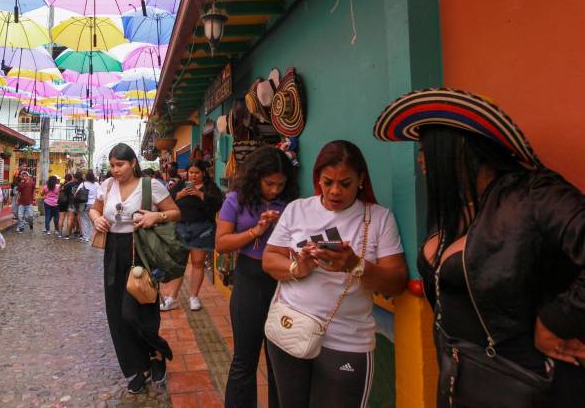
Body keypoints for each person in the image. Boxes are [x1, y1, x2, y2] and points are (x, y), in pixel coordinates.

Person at [373, 88, 585, 408]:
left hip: (523, 384)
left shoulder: (534, 195)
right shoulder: (459, 207)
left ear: (459, 148)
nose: (420, 161)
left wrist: (556, 320)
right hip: (459, 379)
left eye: (425, 150)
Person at [262, 140, 408, 407]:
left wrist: (355, 264)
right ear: (318, 178)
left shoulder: (378, 219)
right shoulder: (298, 210)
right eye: (327, 182)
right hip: (291, 329)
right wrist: (298, 267)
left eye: (346, 183)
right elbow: (270, 259)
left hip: (346, 340)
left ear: (361, 180)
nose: (335, 191)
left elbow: (396, 281)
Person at [88, 143, 181, 394]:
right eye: (112, 165)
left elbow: (174, 212)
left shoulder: (151, 186)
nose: (115, 170)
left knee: (138, 308)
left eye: (120, 165)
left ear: (133, 164)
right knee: (117, 313)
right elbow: (94, 209)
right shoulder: (106, 186)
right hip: (114, 251)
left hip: (141, 249)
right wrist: (96, 219)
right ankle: (138, 368)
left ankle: (157, 351)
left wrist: (155, 216)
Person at [216, 146, 299, 408]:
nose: (274, 190)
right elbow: (222, 243)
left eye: (280, 184)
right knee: (245, 358)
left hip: (283, 282)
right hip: (249, 279)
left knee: (280, 360)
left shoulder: (290, 204)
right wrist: (257, 230)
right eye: (269, 183)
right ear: (255, 178)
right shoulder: (236, 200)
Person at [160, 160, 224, 312]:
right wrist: (179, 195)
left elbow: (217, 206)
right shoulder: (181, 185)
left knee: (198, 262)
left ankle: (193, 297)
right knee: (179, 262)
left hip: (202, 228)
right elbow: (167, 200)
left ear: (203, 173)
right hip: (181, 227)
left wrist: (201, 195)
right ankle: (172, 298)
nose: (193, 176)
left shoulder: (210, 187)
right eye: (191, 172)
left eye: (197, 173)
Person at [78, 170, 99, 243]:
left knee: (84, 220)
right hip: (94, 204)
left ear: (86, 177)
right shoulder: (96, 184)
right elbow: (99, 195)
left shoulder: (83, 184)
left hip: (85, 204)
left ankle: (86, 237)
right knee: (93, 220)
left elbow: (77, 193)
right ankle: (92, 236)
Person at [58, 173, 76, 239]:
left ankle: (59, 234)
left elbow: (59, 194)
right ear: (71, 178)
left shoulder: (62, 185)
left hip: (62, 203)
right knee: (69, 219)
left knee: (61, 218)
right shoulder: (73, 185)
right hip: (70, 203)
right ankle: (67, 234)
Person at [69, 171, 86, 238]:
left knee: (72, 218)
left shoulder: (72, 184)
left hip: (73, 202)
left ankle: (70, 232)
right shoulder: (84, 183)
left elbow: (72, 194)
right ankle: (80, 232)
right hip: (82, 203)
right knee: (80, 218)